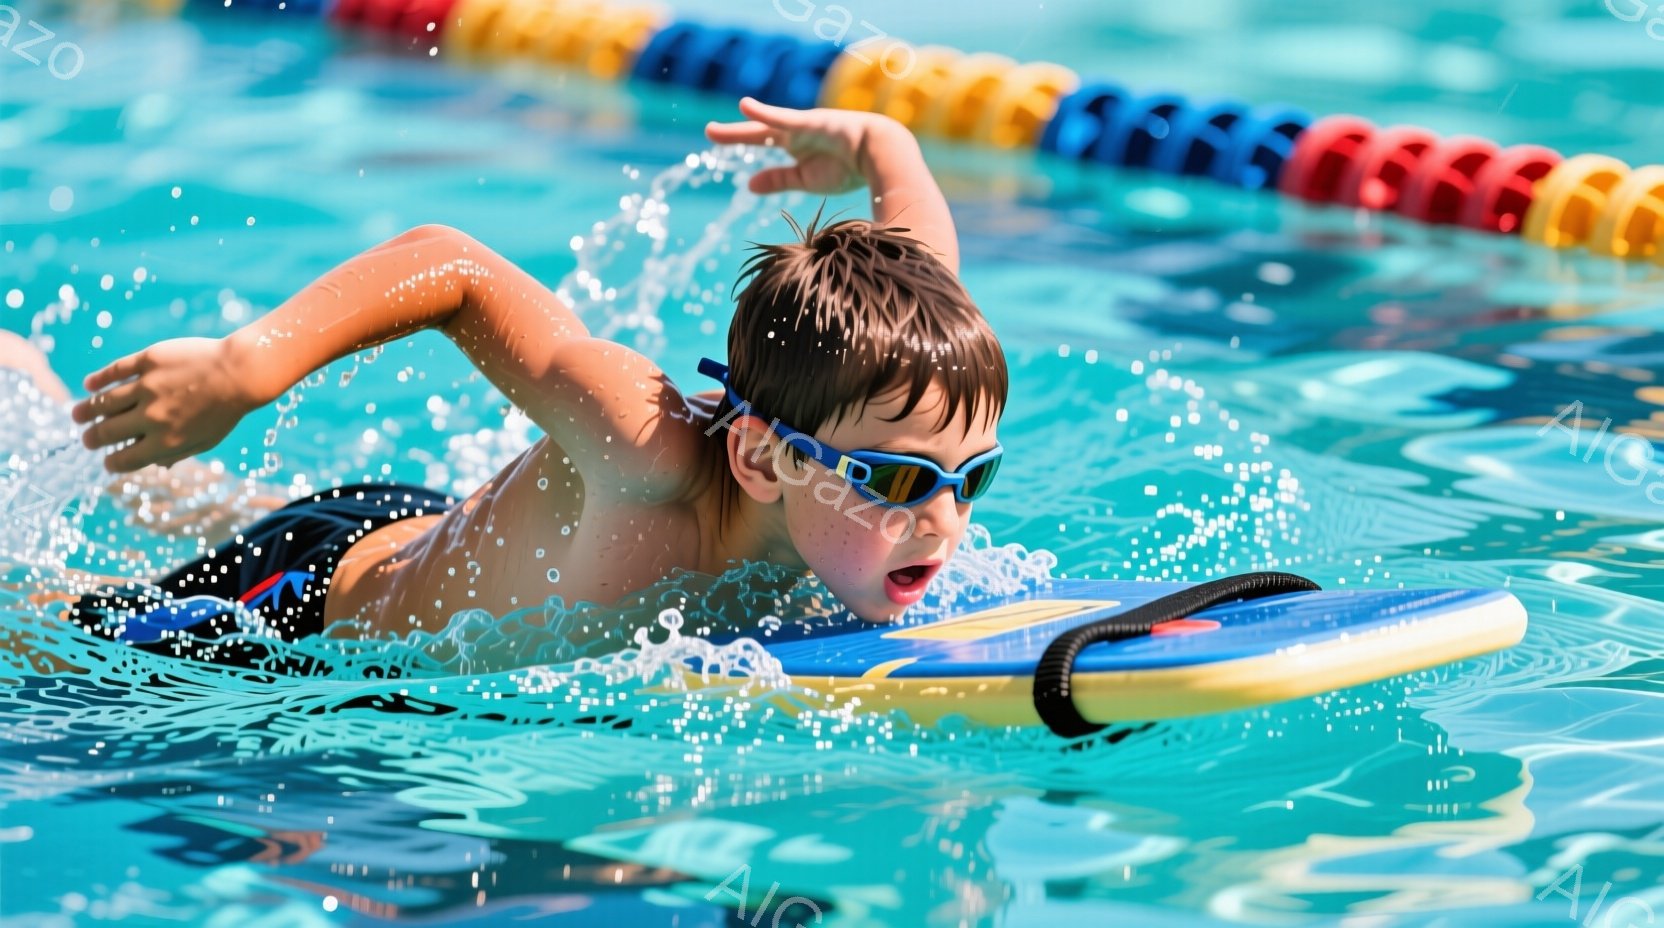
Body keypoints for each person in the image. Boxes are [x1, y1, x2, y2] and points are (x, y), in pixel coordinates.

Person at [12, 97, 1008, 664]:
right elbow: (454, 270)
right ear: (757, 453)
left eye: (972, 477)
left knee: (182, 501)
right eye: (895, 479)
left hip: (440, 524)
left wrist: (886, 146)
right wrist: (243, 370)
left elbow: (926, 276)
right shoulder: (643, 448)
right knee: (48, 643)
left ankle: (83, 431)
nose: (943, 520)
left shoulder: (887, 406)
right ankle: (49, 408)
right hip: (306, 609)